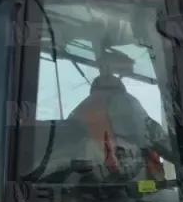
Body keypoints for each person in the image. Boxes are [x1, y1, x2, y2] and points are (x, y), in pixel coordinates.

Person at [68, 47, 173, 182]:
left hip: (102, 191)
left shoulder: (80, 113)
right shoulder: (126, 104)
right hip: (131, 193)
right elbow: (167, 146)